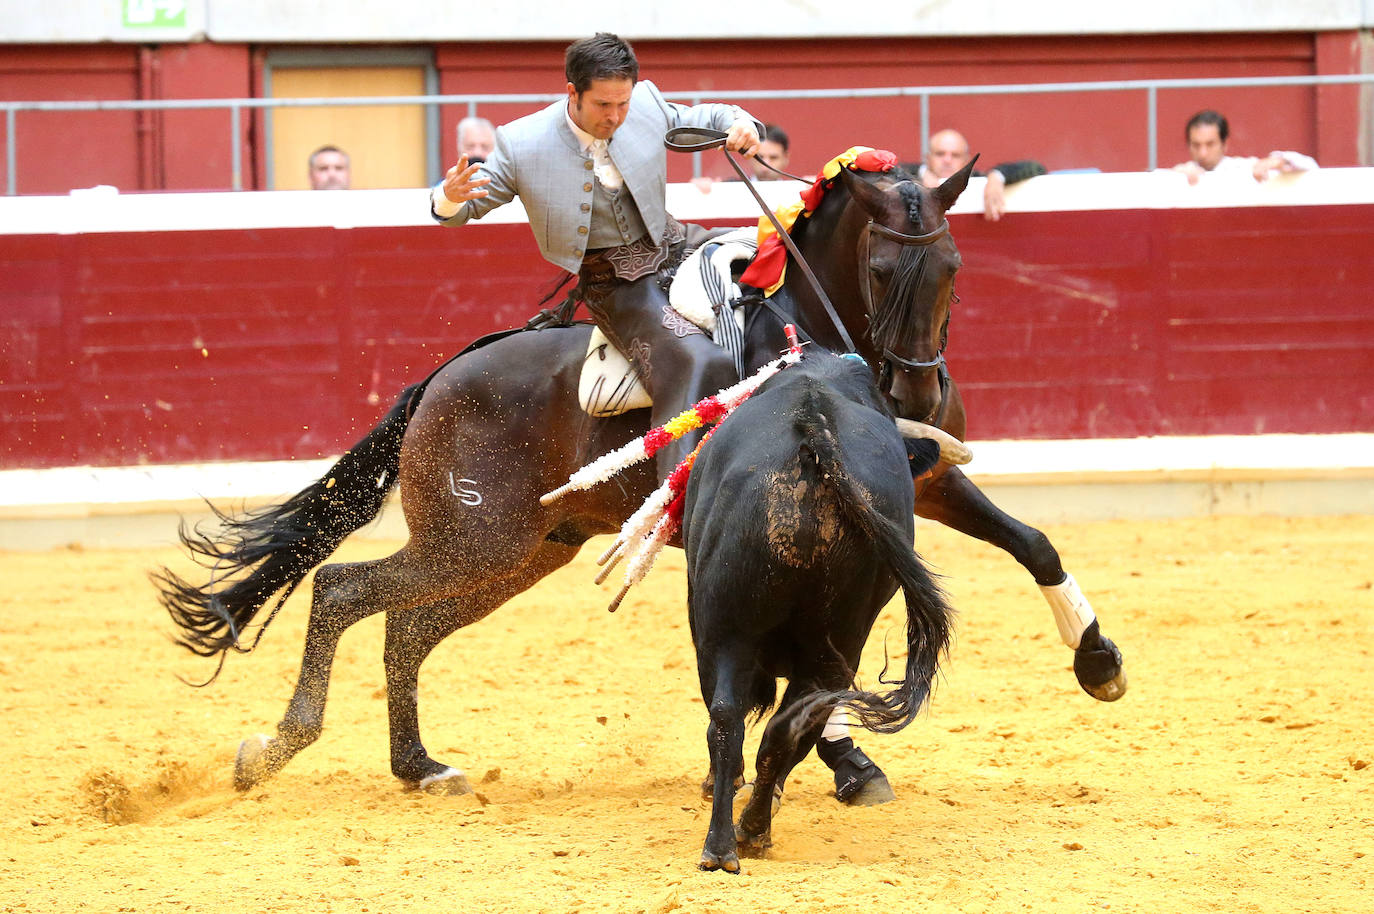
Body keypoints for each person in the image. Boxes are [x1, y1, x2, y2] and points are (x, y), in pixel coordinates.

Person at [431, 32, 761, 478]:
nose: (616, 116)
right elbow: (465, 208)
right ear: (573, 92)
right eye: (604, 105)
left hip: (678, 242)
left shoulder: (645, 104)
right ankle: (679, 491)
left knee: (778, 258)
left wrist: (739, 122)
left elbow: (705, 116)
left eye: (622, 103)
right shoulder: (522, 143)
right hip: (616, 282)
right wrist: (449, 197)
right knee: (698, 360)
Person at [904, 128, 1046, 221]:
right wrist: (921, 174)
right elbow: (893, 170)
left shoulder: (979, 179)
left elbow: (1037, 168)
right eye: (940, 154)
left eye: (955, 155)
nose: (947, 160)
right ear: (928, 159)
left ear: (967, 161)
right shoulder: (915, 174)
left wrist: (997, 177)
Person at [1171, 109, 1318, 184]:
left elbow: (1311, 166)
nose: (1203, 153)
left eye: (1210, 144)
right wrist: (1176, 178)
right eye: (1196, 145)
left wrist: (1278, 161)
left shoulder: (1243, 168)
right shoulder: (1182, 172)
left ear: (1225, 144)